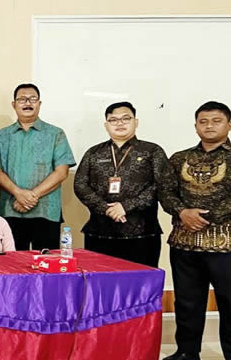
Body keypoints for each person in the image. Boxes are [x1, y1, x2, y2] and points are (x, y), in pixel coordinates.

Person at [160, 101, 231, 360]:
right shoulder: (179, 159)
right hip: (185, 243)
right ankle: (187, 351)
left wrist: (201, 216)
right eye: (203, 121)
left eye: (216, 121)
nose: (209, 126)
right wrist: (182, 212)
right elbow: (166, 192)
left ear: (229, 125)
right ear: (196, 126)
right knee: (187, 302)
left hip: (228, 245)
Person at [73, 102, 173, 268]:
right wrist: (106, 208)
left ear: (136, 122)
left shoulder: (152, 151)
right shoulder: (94, 152)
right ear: (106, 125)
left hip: (141, 233)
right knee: (100, 281)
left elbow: (162, 185)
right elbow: (80, 185)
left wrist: (126, 207)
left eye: (126, 118)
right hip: (100, 232)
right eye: (113, 120)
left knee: (140, 281)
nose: (119, 123)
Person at [0, 84, 76, 251]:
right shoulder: (2, 136)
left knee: (46, 261)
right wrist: (18, 194)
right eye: (22, 99)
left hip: (46, 210)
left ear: (39, 103)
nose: (27, 103)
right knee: (13, 262)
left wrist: (31, 196)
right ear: (14, 104)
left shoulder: (56, 133)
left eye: (33, 99)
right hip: (11, 209)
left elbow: (61, 172)